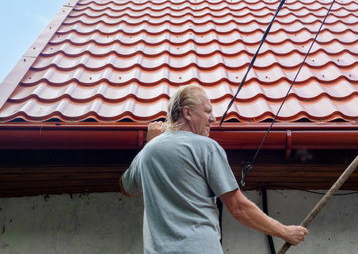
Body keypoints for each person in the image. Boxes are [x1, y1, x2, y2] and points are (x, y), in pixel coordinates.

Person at [120, 85, 308, 253]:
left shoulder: (147, 152)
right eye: (207, 111)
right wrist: (285, 232)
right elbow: (238, 207)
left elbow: (126, 188)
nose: (213, 118)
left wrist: (149, 145)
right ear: (187, 113)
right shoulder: (207, 147)